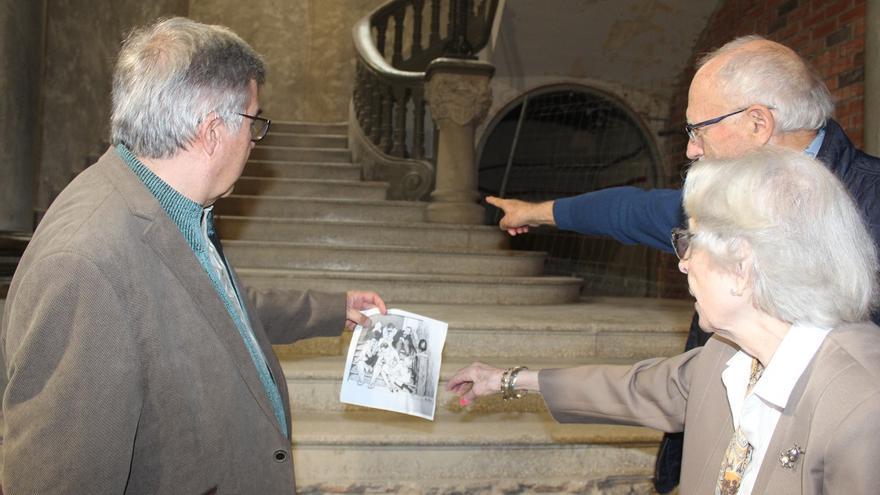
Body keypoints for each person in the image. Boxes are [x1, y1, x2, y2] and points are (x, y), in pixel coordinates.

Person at [0, 17, 386, 494]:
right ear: (210, 132)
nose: (253, 140)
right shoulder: (85, 265)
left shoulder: (169, 203)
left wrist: (332, 310)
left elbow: (212, 311)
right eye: (253, 122)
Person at [485, 35, 880, 491]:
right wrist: (535, 213)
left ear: (758, 123)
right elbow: (631, 212)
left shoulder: (856, 403)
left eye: (699, 128)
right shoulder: (720, 209)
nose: (691, 149)